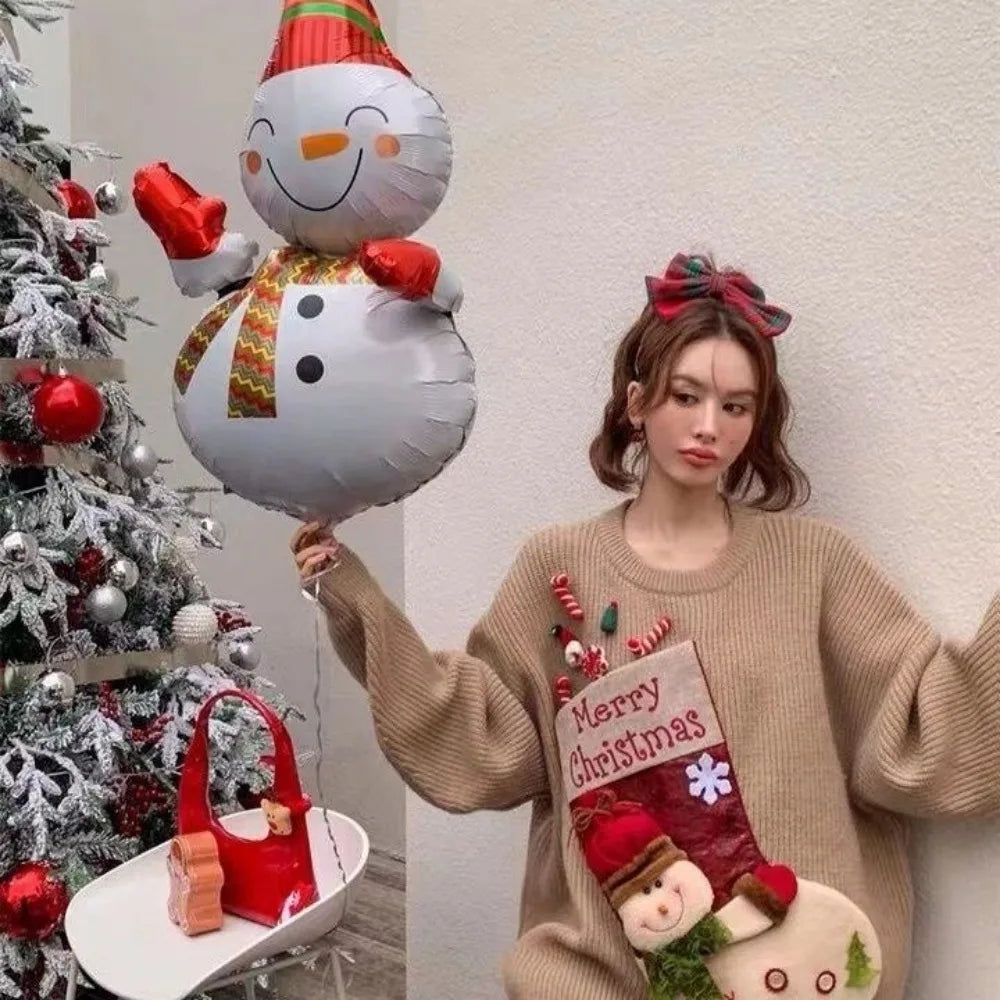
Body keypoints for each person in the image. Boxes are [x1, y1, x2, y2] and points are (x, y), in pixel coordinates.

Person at [292, 252, 999, 1000]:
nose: (708, 427)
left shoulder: (817, 565)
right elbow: (483, 739)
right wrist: (357, 599)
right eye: (685, 396)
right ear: (636, 402)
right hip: (597, 981)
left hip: (796, 975)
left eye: (736, 406)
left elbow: (927, 730)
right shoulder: (557, 566)